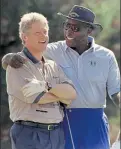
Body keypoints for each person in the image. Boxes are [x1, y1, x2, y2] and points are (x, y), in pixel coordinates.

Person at [2, 5, 120, 149]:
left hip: (95, 123)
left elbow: (115, 92)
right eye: (67, 26)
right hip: (65, 122)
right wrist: (8, 58)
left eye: (75, 28)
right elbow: (25, 54)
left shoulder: (106, 56)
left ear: (89, 30)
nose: (68, 31)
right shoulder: (52, 50)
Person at [3, 12, 77, 149]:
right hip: (29, 134)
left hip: (56, 134)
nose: (44, 36)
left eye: (45, 31)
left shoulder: (53, 66)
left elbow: (71, 94)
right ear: (25, 37)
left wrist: (46, 86)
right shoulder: (17, 65)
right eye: (37, 33)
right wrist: (59, 95)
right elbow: (36, 97)